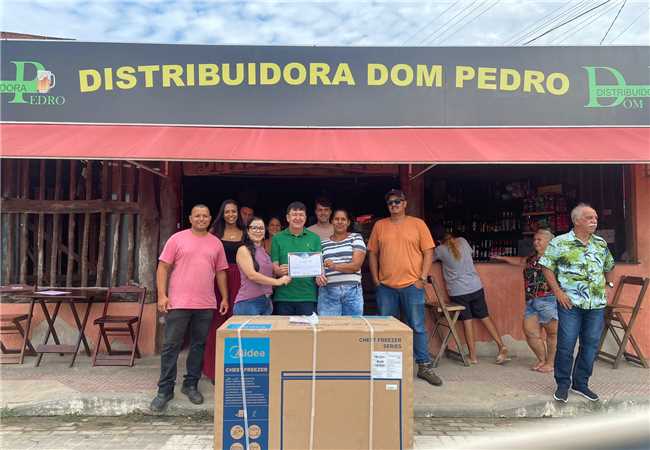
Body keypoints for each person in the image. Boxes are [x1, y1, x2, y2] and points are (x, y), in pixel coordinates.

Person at [150, 204, 229, 412]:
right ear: (190, 218)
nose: (201, 219)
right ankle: (164, 389)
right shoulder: (177, 239)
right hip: (178, 303)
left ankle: (190, 384)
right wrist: (162, 295)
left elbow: (221, 272)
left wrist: (225, 298)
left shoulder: (216, 243)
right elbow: (163, 267)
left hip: (206, 303)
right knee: (170, 346)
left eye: (205, 216)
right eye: (197, 216)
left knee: (198, 346)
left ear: (210, 218)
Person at [540, 203, 615, 403]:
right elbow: (546, 267)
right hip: (569, 304)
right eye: (589, 218)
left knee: (590, 345)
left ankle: (581, 384)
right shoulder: (560, 243)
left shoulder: (600, 243)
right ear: (576, 221)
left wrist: (608, 285)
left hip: (596, 305)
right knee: (566, 344)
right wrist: (558, 292)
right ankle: (562, 384)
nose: (594, 221)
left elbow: (609, 265)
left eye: (596, 218)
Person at [367, 189, 442, 386]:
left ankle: (424, 366)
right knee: (386, 329)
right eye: (390, 202)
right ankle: (386, 368)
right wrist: (375, 279)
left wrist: (422, 277)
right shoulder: (380, 226)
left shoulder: (418, 224)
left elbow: (428, 252)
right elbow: (372, 253)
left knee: (417, 326)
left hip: (412, 284)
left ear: (405, 203)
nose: (394, 205)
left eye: (398, 201)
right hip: (386, 286)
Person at [433, 232, 509, 365]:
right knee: (485, 317)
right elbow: (469, 253)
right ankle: (501, 345)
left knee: (467, 322)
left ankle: (473, 356)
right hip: (476, 286)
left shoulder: (440, 250)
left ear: (439, 240)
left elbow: (428, 258)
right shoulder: (463, 240)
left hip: (459, 291)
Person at [493, 229, 557, 372]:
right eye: (535, 239)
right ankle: (542, 359)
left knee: (552, 334)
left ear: (549, 242)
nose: (535, 242)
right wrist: (502, 258)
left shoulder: (556, 257)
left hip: (548, 299)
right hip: (531, 301)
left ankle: (551, 363)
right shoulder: (532, 258)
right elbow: (521, 261)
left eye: (539, 239)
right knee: (530, 332)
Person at [202, 199, 244, 382]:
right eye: (227, 212)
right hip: (219, 279)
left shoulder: (245, 233)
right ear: (222, 213)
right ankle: (214, 369)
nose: (231, 215)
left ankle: (236, 369)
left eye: (234, 211)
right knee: (217, 324)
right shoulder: (214, 233)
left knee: (237, 322)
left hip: (241, 280)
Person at [271, 201, 322, 315]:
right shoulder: (277, 238)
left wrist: (320, 275)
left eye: (301, 215)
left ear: (305, 218)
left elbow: (319, 266)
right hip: (283, 296)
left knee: (307, 332)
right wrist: (278, 270)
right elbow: (274, 264)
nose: (297, 218)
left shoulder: (315, 238)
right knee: (283, 331)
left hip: (308, 296)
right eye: (294, 214)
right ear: (288, 217)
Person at [234, 217, 291, 315]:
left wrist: (283, 269)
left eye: (261, 228)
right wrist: (277, 281)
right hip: (248, 302)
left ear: (265, 231)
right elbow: (252, 275)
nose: (258, 231)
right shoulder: (243, 249)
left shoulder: (263, 251)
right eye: (254, 228)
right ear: (247, 231)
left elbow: (271, 271)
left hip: (266, 302)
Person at [318, 209, 367, 316]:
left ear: (348, 222)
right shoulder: (323, 243)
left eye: (343, 219)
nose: (340, 222)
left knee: (353, 328)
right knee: (328, 328)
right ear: (332, 221)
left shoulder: (356, 237)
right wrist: (319, 276)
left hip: (352, 291)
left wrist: (334, 266)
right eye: (336, 219)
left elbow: (356, 265)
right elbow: (318, 267)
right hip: (328, 291)